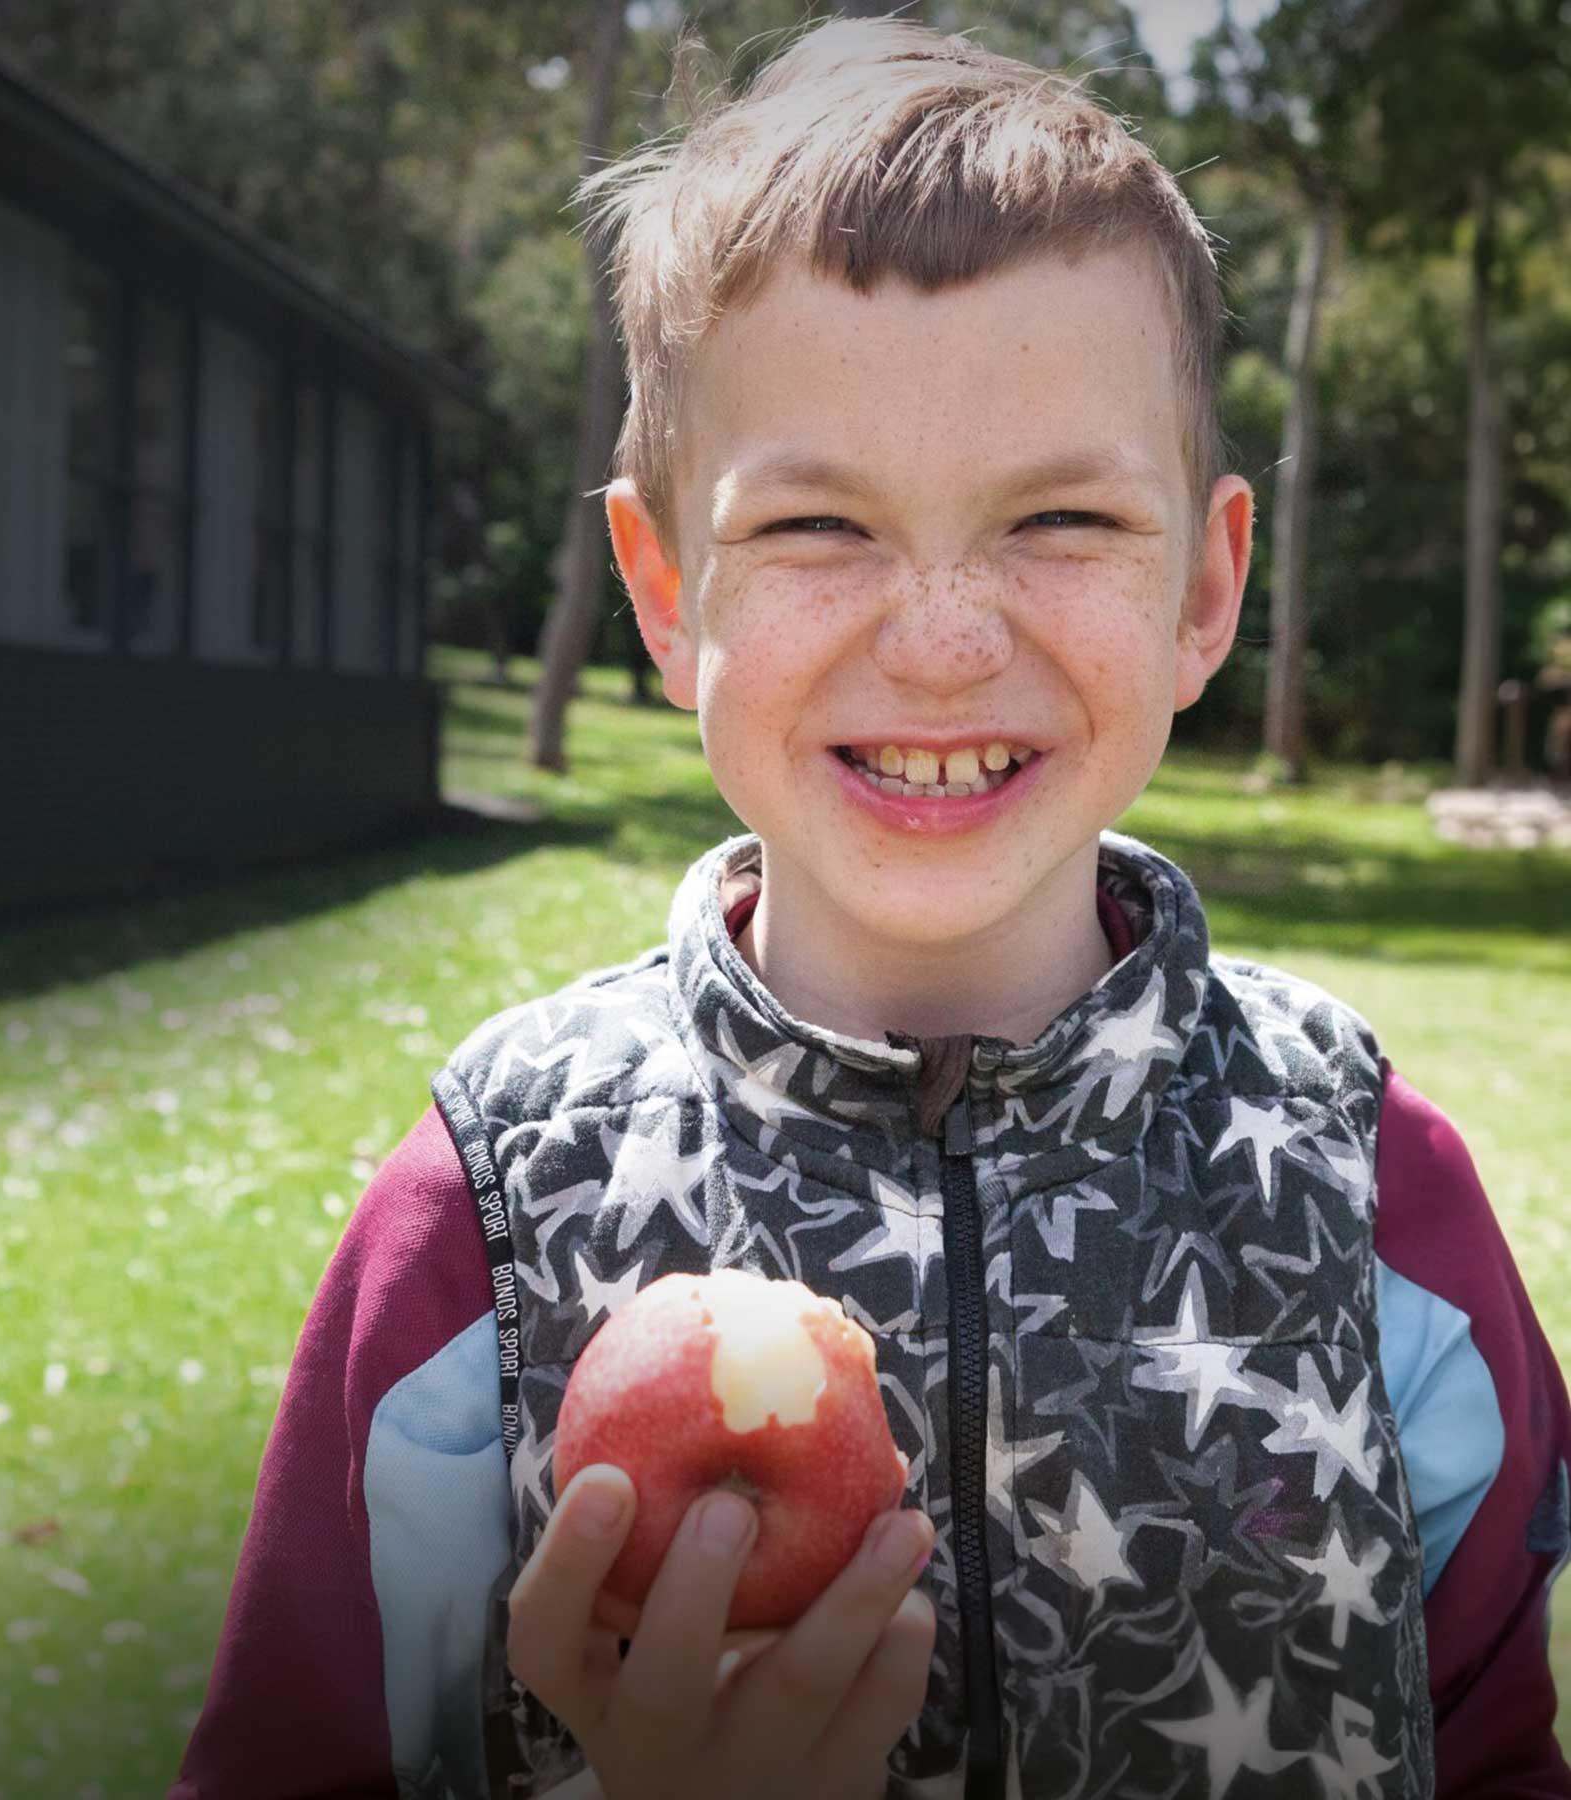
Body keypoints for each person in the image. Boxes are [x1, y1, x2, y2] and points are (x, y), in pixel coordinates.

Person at [169, 17, 1571, 1799]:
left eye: (1061, 517)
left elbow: (1497, 1751)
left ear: (1207, 591)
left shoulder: (1374, 1192)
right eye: (821, 529)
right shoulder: (490, 1222)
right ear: (667, 591)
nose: (941, 637)